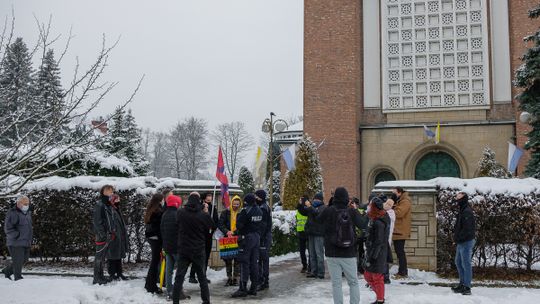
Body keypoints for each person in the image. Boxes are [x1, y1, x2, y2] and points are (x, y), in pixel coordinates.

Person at [317, 187, 367, 304]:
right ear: (346, 199)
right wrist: (362, 213)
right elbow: (363, 225)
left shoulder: (328, 211)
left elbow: (318, 222)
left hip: (331, 253)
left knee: (336, 283)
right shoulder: (352, 212)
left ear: (335, 198)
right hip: (349, 253)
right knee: (353, 282)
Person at [172, 193, 216, 304]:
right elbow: (212, 226)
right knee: (202, 278)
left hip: (184, 249)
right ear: (199, 201)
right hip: (198, 249)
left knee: (179, 277)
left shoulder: (180, 212)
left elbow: (176, 225)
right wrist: (206, 212)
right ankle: (206, 301)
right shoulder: (203, 215)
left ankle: (175, 301)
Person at [231, 193, 263, 298]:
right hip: (256, 238)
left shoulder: (245, 211)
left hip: (247, 238)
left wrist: (236, 232)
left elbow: (239, 225)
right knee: (254, 263)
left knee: (244, 262)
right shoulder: (259, 210)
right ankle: (253, 288)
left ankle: (242, 288)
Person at [364, 196, 392, 304]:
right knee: (368, 275)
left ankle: (380, 299)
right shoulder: (377, 217)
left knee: (377, 277)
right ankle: (380, 296)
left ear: (375, 208)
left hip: (378, 253)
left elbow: (379, 241)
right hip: (375, 251)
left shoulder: (379, 222)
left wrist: (372, 256)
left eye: (371, 205)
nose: (369, 207)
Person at [189, 192, 218, 284]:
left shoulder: (213, 208)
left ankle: (203, 275)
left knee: (206, 256)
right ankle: (192, 275)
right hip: (199, 235)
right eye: (208, 196)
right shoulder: (199, 207)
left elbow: (215, 221)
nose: (209, 198)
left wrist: (212, 228)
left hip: (209, 235)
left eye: (211, 196)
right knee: (197, 256)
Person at [2, 196, 32, 281]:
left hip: (26, 241)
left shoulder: (27, 213)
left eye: (28, 204)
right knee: (18, 261)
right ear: (18, 204)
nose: (27, 205)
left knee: (24, 260)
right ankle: (18, 278)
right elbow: (8, 228)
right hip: (15, 242)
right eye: (25, 204)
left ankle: (7, 271)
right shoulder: (12, 213)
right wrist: (17, 235)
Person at [451, 191, 476, 296]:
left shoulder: (466, 212)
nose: (456, 198)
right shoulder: (462, 210)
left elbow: (468, 229)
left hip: (466, 241)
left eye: (459, 197)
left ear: (463, 199)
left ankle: (467, 287)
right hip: (461, 241)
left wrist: (459, 238)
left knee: (466, 264)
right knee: (458, 262)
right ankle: (462, 284)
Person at [92, 185, 116, 285]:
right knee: (99, 257)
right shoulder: (100, 204)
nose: (111, 192)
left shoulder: (108, 204)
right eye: (109, 190)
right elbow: (97, 221)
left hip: (108, 234)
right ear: (103, 192)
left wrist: (112, 231)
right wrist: (103, 234)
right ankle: (97, 278)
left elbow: (110, 220)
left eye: (112, 190)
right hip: (102, 235)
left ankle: (101, 276)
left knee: (102, 257)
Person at [299, 192, 326, 279]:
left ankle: (321, 273)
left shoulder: (323, 208)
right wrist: (301, 204)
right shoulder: (312, 207)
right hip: (311, 233)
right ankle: (313, 271)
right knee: (312, 254)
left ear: (321, 200)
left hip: (319, 234)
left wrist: (310, 207)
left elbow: (317, 214)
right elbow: (304, 212)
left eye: (317, 199)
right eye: (314, 199)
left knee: (319, 254)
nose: (315, 200)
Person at [218, 195, 243, 286]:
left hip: (238, 239)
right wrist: (227, 231)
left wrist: (234, 232)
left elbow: (243, 225)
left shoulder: (242, 213)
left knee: (237, 259)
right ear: (231, 203)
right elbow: (220, 224)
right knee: (228, 259)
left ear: (240, 204)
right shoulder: (225, 212)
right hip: (227, 239)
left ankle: (236, 278)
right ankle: (229, 278)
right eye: (234, 203)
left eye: (237, 204)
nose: (235, 205)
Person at [161, 194, 182, 299]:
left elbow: (162, 231)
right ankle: (178, 292)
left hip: (167, 247)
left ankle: (169, 291)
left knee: (168, 271)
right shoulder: (178, 214)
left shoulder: (164, 214)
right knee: (180, 270)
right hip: (177, 248)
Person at [106, 191, 129, 281]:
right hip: (113, 237)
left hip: (119, 236)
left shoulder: (116, 209)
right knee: (112, 256)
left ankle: (119, 273)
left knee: (118, 256)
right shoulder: (110, 210)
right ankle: (112, 273)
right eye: (116, 200)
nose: (118, 202)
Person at [144, 193, 164, 294]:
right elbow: (158, 228)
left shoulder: (152, 209)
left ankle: (149, 284)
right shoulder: (158, 211)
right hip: (155, 238)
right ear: (160, 200)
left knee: (155, 262)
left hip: (151, 237)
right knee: (155, 262)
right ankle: (150, 285)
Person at [391, 186, 411, 278]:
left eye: (394, 193)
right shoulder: (400, 201)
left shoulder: (405, 201)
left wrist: (391, 207)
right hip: (398, 230)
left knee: (400, 252)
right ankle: (402, 271)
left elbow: (399, 213)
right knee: (399, 251)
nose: (393, 194)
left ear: (399, 192)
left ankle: (403, 272)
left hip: (401, 230)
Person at [255, 189, 272, 291]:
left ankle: (264, 281)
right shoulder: (263, 206)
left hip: (264, 238)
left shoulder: (263, 208)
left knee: (263, 260)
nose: (255, 198)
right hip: (264, 236)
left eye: (256, 196)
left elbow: (263, 225)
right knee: (261, 260)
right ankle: (262, 280)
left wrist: (260, 237)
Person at [352, 196, 369, 274]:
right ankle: (361, 268)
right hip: (362, 235)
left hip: (355, 235)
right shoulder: (364, 211)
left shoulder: (354, 211)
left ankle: (357, 268)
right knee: (361, 252)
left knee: (355, 253)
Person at [382, 198, 395, 285]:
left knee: (384, 258)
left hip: (385, 239)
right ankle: (385, 277)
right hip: (386, 238)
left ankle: (385, 277)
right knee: (384, 258)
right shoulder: (389, 213)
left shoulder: (390, 213)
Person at [295, 200, 310, 273]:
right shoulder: (308, 209)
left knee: (302, 250)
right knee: (310, 250)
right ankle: (310, 266)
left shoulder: (298, 210)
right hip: (308, 232)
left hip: (300, 232)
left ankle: (304, 266)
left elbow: (297, 220)